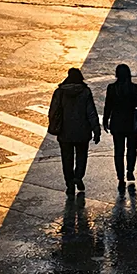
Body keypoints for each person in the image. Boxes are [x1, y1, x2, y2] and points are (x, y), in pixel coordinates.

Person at [48, 68, 100, 196]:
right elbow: (91, 113)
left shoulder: (60, 92)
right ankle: (78, 177)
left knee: (67, 158)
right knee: (82, 156)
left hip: (65, 132)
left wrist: (54, 125)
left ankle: (69, 183)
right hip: (82, 132)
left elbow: (53, 111)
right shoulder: (85, 92)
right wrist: (96, 130)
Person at [103, 64, 137, 190]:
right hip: (132, 122)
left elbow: (108, 106)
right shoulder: (134, 88)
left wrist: (106, 120)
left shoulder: (112, 88)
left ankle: (120, 176)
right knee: (132, 148)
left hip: (117, 123)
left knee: (118, 150)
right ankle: (130, 171)